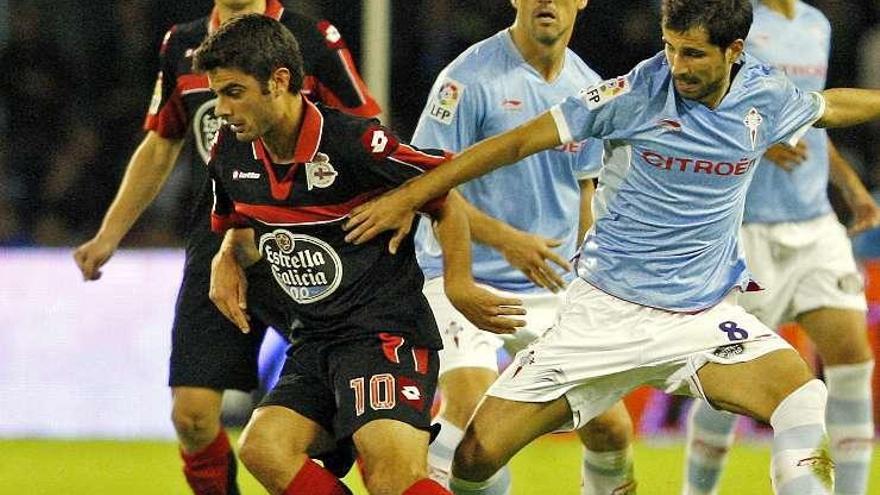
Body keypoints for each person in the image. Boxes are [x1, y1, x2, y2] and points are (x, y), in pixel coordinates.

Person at [343, 0, 880, 492]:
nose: (678, 65)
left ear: (734, 52)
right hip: (601, 317)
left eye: (693, 53)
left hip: (700, 315)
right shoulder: (630, 95)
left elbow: (829, 106)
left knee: (803, 398)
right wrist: (411, 194)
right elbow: (515, 143)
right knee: (474, 459)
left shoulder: (766, 95)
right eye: (670, 48)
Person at [197, 14, 524, 495]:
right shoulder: (231, 150)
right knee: (263, 448)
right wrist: (224, 257)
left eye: (233, 91)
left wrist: (458, 283)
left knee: (392, 479)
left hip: (383, 335)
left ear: (279, 81)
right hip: (313, 341)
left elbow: (444, 197)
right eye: (217, 93)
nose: (221, 108)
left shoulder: (353, 144)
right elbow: (238, 225)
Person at [72, 1, 380, 493]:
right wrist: (110, 233)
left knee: (359, 412)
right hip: (219, 240)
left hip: (303, 239)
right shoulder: (182, 44)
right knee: (192, 414)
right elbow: (161, 143)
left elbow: (363, 133)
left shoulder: (312, 37)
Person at [410, 0, 635, 492]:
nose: (547, 3)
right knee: (472, 420)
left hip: (551, 283)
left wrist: (589, 280)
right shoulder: (466, 79)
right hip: (461, 277)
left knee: (611, 427)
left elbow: (585, 188)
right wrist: (508, 241)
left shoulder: (589, 88)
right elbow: (427, 183)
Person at [681, 2, 878, 494]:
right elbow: (687, 105)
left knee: (852, 361)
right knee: (731, 382)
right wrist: (757, 139)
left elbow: (814, 113)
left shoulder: (817, 24)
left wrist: (851, 188)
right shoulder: (732, 21)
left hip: (814, 222)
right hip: (748, 227)